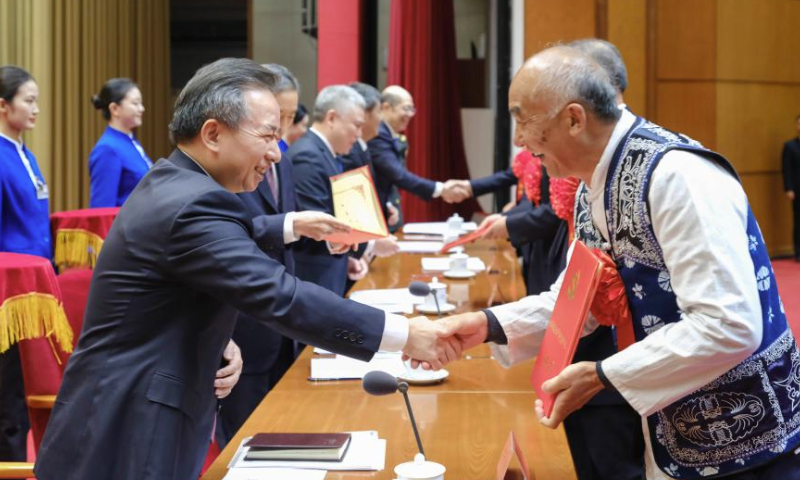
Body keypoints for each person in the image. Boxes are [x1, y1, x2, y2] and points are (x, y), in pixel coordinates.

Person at [34, 58, 455, 480]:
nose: (276, 152)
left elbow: (176, 294)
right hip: (125, 428)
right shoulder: (194, 204)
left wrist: (219, 339)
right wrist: (405, 335)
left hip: (139, 413)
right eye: (268, 136)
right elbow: (278, 294)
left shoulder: (178, 183)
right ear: (213, 133)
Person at [435, 46, 800, 479]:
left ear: (574, 119)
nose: (518, 140)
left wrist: (603, 375)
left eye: (523, 119)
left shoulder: (677, 177)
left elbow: (729, 324)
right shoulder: (595, 184)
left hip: (744, 433)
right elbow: (577, 300)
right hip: (673, 424)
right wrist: (488, 324)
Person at [217, 64, 351, 448]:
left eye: (291, 117)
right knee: (244, 443)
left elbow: (286, 237)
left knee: (283, 436)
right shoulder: (224, 170)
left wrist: (318, 236)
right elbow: (242, 232)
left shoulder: (283, 160)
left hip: (281, 326)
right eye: (278, 119)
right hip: (243, 328)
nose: (286, 129)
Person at [0, 64, 50, 466]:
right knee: (8, 394)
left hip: (32, 291)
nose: (36, 109)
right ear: (3, 105)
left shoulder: (26, 153)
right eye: (28, 101)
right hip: (7, 296)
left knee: (25, 388)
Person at [289, 85, 372, 296]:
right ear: (332, 118)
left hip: (328, 271)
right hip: (312, 278)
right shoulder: (307, 156)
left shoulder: (323, 152)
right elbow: (316, 222)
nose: (360, 134)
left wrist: (346, 260)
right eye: (357, 125)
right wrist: (370, 244)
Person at [367, 85, 465, 231]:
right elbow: (398, 175)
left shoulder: (390, 135)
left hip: (388, 211)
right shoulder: (378, 135)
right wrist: (440, 189)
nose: (410, 114)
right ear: (386, 107)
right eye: (406, 108)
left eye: (412, 109)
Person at [88, 78, 152, 207]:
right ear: (115, 109)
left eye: (141, 103)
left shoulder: (130, 142)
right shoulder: (107, 149)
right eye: (135, 103)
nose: (142, 108)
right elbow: (102, 207)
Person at [782, 114, 800, 261]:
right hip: (797, 189)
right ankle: (798, 251)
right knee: (798, 221)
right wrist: (789, 188)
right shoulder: (790, 146)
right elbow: (786, 168)